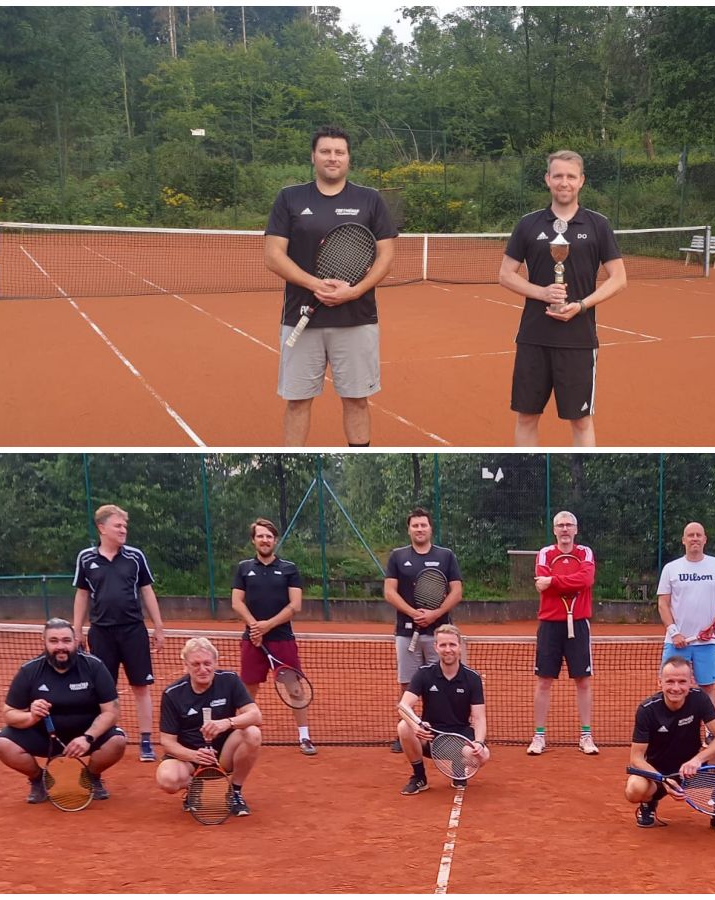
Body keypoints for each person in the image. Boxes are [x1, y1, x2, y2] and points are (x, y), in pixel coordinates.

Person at [263, 124, 398, 446]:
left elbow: (386, 255)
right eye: (325, 151)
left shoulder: (370, 200)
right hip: (301, 317)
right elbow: (273, 255)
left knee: (356, 400)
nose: (332, 158)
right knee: (297, 401)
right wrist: (316, 284)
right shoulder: (290, 198)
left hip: (357, 319)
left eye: (339, 152)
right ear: (313, 156)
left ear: (348, 158)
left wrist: (355, 290)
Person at [498, 150, 628, 447]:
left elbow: (619, 278)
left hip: (579, 340)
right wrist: (542, 293)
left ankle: (581, 492)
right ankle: (526, 481)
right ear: (547, 180)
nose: (564, 182)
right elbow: (506, 274)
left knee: (581, 421)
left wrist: (582, 305)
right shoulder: (528, 224)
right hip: (534, 337)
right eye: (558, 176)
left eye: (571, 176)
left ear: (581, 181)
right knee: (526, 417)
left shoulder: (598, 225)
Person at [0, 618, 127, 803]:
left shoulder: (94, 667)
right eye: (53, 641)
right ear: (44, 643)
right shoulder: (29, 671)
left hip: (85, 735)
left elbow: (111, 712)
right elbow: (9, 713)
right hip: (44, 737)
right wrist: (31, 716)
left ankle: (92, 777)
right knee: (2, 743)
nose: (60, 646)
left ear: (76, 641)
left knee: (118, 741)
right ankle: (39, 780)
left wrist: (88, 738)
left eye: (66, 640)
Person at [71, 503, 165, 762]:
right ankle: (102, 737)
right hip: (101, 633)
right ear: (102, 528)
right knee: (103, 689)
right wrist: (76, 631)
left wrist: (158, 627)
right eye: (118, 525)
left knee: (141, 687)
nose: (124, 530)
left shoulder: (135, 557)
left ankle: (146, 741)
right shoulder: (86, 558)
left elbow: (147, 591)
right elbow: (81, 594)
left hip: (134, 631)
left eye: (125, 526)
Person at [625, 655, 715, 835]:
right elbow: (636, 758)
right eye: (670, 681)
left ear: (691, 682)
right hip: (659, 776)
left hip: (692, 772)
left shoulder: (699, 699)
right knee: (634, 789)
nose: (676, 688)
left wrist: (697, 760)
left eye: (682, 681)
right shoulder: (647, 710)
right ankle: (648, 803)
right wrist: (662, 779)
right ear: (660, 683)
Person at [230, 517, 316, 756]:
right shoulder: (244, 568)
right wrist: (254, 627)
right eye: (260, 536)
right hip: (252, 641)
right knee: (248, 692)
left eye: (269, 536)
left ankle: (304, 737)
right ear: (253, 540)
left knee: (295, 690)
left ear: (275, 540)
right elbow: (237, 602)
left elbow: (295, 605)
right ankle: (243, 735)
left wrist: (267, 626)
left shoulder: (289, 568)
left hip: (282, 639)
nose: (265, 540)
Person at [384, 507, 463, 753]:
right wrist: (413, 613)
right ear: (409, 529)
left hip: (440, 634)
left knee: (443, 681)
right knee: (408, 683)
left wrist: (434, 614)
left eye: (423, 525)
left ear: (431, 528)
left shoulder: (446, 556)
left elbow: (457, 591)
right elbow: (389, 592)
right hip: (406, 633)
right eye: (415, 525)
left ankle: (447, 731)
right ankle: (407, 729)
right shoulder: (397, 556)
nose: (419, 529)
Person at [156, 637, 262, 817]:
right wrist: (194, 755)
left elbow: (255, 715)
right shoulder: (172, 694)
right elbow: (167, 742)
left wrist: (226, 723)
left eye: (207, 663)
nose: (202, 669)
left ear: (215, 663)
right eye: (195, 664)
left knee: (253, 733)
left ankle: (235, 792)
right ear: (186, 666)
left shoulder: (230, 680)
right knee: (167, 779)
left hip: (223, 755)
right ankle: (193, 786)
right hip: (189, 759)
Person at [528, 510, 597, 756]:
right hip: (549, 623)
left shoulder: (585, 552)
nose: (565, 529)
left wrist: (553, 582)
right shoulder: (545, 553)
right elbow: (540, 582)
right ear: (555, 530)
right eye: (560, 525)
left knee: (583, 681)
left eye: (569, 525)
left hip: (578, 622)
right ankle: (538, 736)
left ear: (575, 530)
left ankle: (586, 735)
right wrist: (560, 581)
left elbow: (585, 580)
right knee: (544, 681)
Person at [396, 625, 491, 794]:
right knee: (404, 726)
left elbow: (479, 718)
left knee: (483, 755)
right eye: (443, 645)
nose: (448, 650)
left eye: (452, 645)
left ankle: (458, 765)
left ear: (460, 646)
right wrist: (416, 724)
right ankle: (419, 778)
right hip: (430, 737)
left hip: (460, 737)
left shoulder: (472, 678)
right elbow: (403, 706)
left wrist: (479, 742)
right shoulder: (424, 673)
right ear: (436, 647)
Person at [656, 522, 715, 714]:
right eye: (690, 535)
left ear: (704, 540)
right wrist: (675, 633)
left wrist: (713, 627)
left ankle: (711, 732)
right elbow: (663, 603)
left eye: (698, 535)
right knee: (670, 688)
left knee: (707, 688)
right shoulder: (671, 568)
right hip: (675, 642)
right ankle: (669, 729)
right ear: (683, 540)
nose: (695, 538)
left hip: (708, 643)